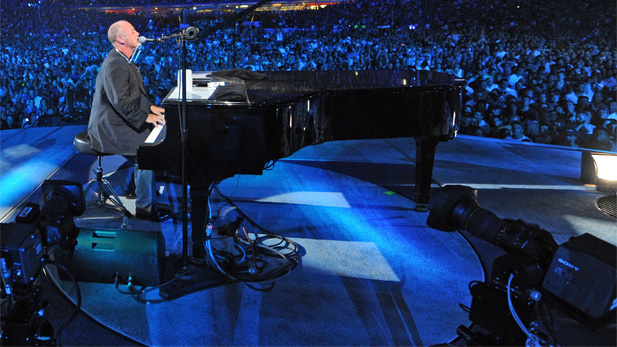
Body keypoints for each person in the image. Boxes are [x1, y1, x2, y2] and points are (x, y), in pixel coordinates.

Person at [87, 20, 172, 222]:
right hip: (108, 127)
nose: (138, 33)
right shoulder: (116, 64)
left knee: (151, 143)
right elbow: (121, 101)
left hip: (119, 119)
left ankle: (140, 191)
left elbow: (134, 96)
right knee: (146, 152)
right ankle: (145, 211)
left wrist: (150, 107)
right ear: (120, 39)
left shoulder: (125, 60)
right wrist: (146, 117)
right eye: (132, 31)